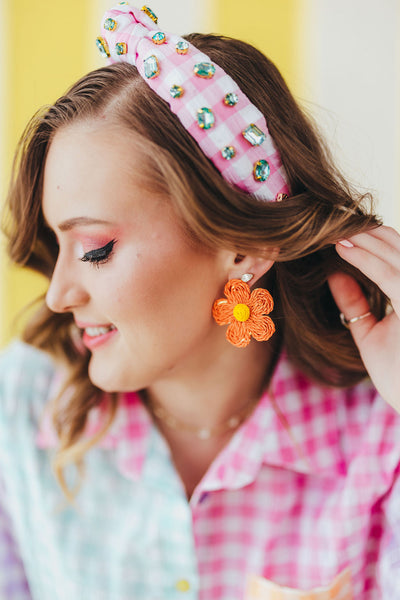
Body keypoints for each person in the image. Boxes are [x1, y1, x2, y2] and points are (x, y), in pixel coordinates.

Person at [1, 3, 400, 599]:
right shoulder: (26, 406)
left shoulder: (379, 428)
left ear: (241, 246)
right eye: (56, 243)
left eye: (93, 248)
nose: (58, 294)